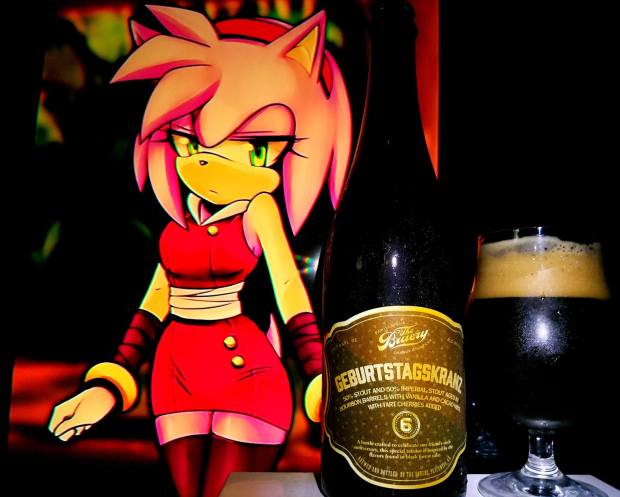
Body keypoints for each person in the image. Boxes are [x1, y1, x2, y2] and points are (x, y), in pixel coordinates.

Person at [48, 6, 352, 497]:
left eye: (254, 147)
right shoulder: (177, 217)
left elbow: (289, 292)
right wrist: (109, 385)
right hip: (174, 377)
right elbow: (153, 306)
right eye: (188, 143)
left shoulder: (258, 209)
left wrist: (319, 374)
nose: (210, 163)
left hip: (247, 376)